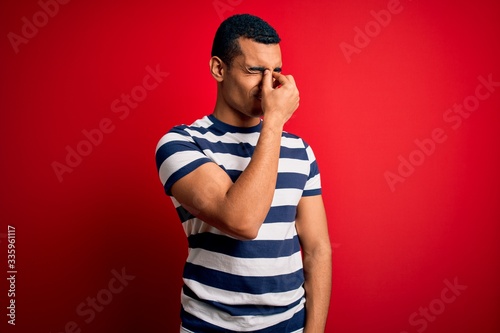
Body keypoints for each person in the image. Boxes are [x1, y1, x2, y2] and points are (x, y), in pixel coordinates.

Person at [155, 13, 331, 333]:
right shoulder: (180, 143)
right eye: (254, 71)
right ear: (218, 69)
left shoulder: (300, 150)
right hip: (209, 324)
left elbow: (318, 248)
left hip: (288, 324)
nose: (268, 84)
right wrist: (274, 122)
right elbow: (242, 221)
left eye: (275, 71)